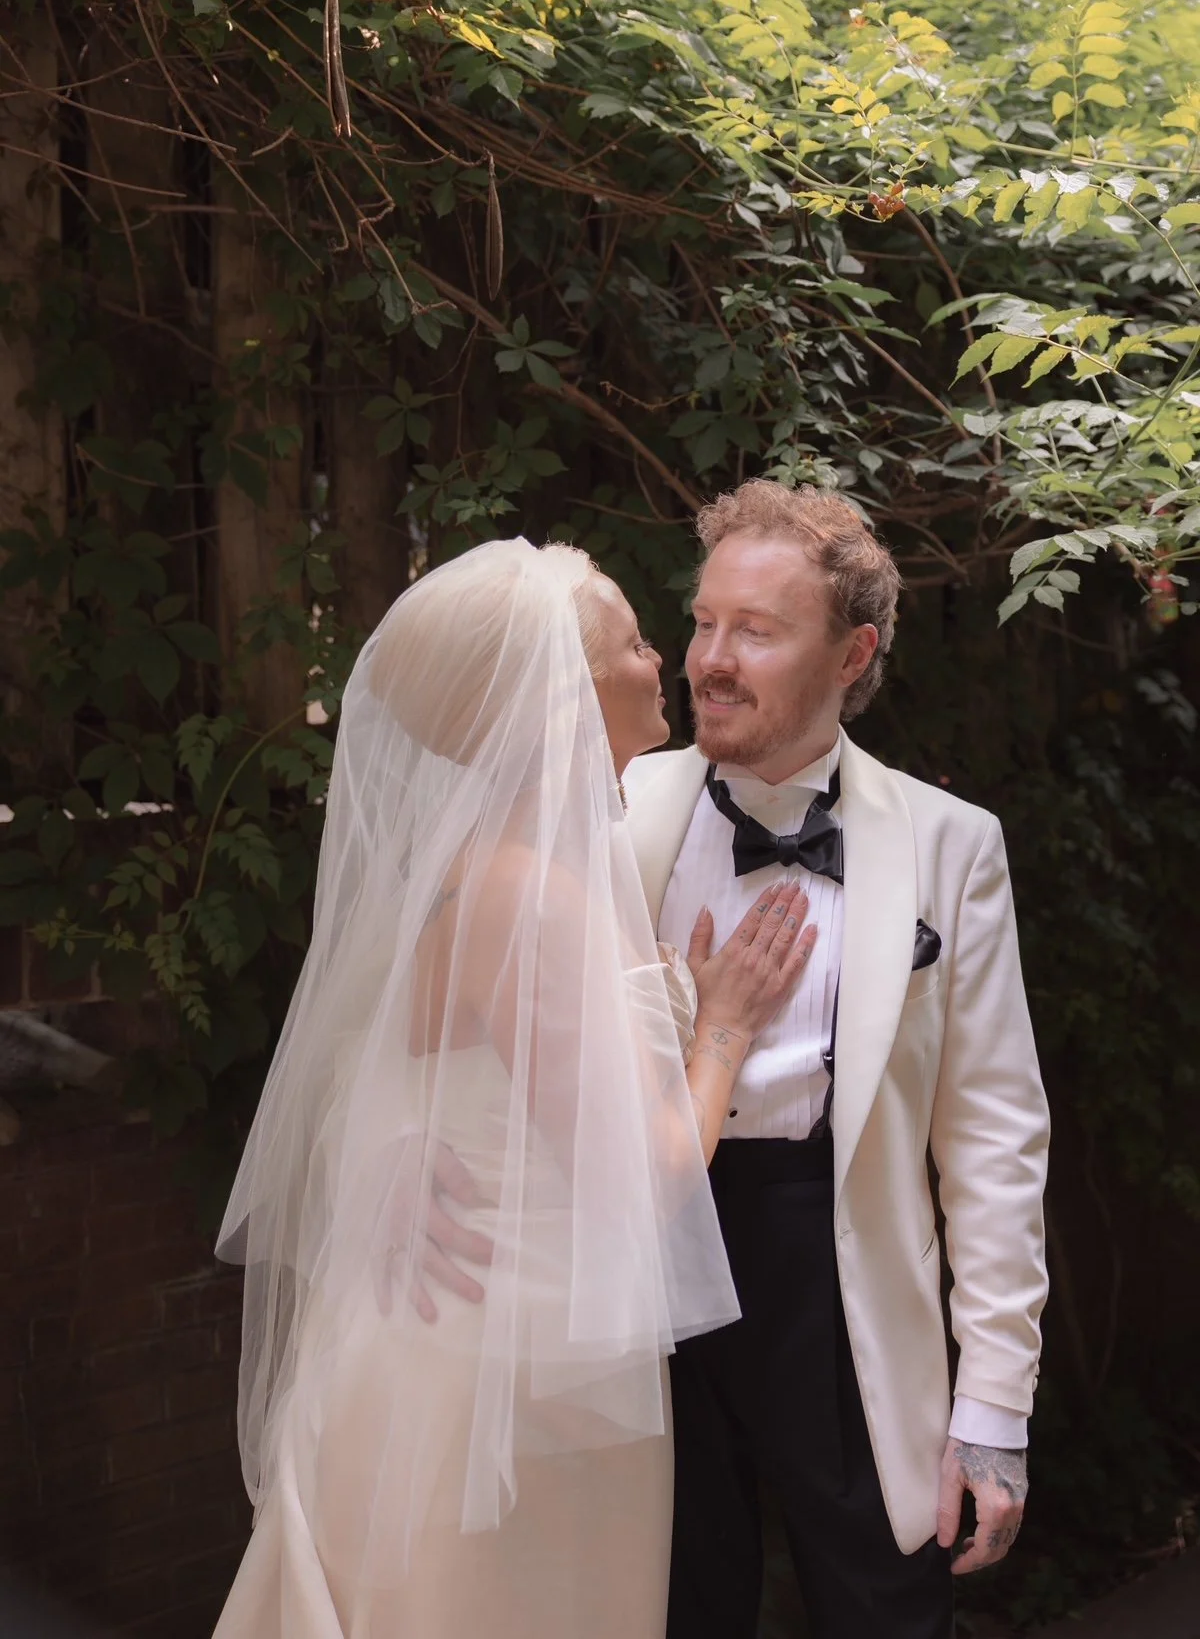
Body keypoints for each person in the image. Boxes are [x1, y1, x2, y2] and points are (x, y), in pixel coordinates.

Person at [210, 537, 817, 1639]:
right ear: (568, 696)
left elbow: (377, 1067)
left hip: (504, 1353)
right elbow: (649, 1178)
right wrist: (721, 1026)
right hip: (508, 1393)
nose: (662, 661)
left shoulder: (482, 868)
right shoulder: (526, 894)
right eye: (635, 640)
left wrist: (386, 1156)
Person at [623, 480, 1050, 1639]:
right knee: (665, 1609)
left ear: (852, 652)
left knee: (882, 1610)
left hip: (845, 1279)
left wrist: (995, 1405)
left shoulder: (952, 846)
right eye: (705, 621)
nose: (711, 657)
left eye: (756, 631)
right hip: (643, 1264)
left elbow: (995, 1138)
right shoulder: (618, 806)